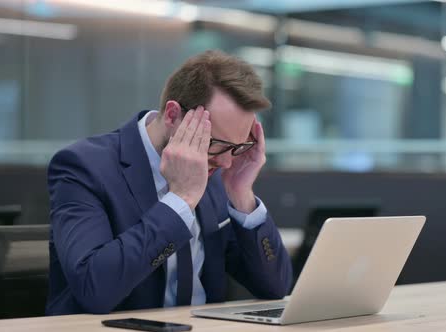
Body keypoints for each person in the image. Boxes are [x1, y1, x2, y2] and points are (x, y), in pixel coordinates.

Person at [46, 50, 292, 315]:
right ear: (173, 116)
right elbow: (94, 289)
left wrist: (241, 194)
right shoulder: (85, 166)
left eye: (238, 147)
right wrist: (181, 200)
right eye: (216, 144)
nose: (226, 163)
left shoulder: (218, 173)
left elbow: (275, 287)